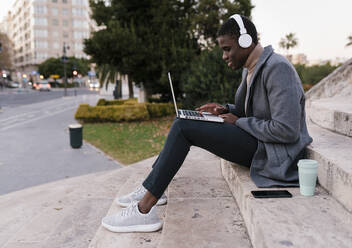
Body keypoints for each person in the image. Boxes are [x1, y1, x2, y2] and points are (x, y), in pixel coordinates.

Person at [101, 14, 313, 233]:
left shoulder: (278, 68)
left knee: (184, 128)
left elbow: (287, 130)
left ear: (246, 42)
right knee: (184, 120)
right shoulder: (251, 68)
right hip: (261, 143)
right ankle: (153, 186)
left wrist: (238, 121)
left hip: (275, 154)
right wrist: (225, 109)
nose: (224, 56)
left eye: (227, 49)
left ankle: (143, 210)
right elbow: (253, 111)